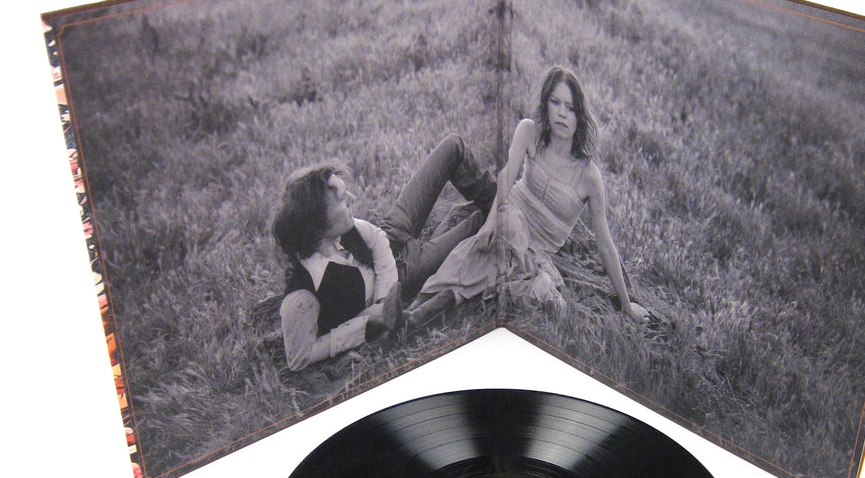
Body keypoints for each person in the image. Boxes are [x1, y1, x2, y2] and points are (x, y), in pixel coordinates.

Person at [404, 68, 649, 328]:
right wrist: (491, 222)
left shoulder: (589, 176)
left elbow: (606, 245)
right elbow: (507, 176)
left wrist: (627, 306)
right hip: (508, 217)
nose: (562, 113)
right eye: (555, 102)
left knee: (527, 279)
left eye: (570, 108)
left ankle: (416, 313)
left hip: (535, 252)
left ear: (580, 116)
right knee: (504, 232)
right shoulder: (530, 132)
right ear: (545, 105)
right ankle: (414, 314)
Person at [271, 133, 495, 371]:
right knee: (482, 223)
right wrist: (362, 325)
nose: (352, 199)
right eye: (342, 201)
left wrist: (384, 298)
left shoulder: (341, 229)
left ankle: (497, 198)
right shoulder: (302, 296)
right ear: (318, 224)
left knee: (453, 146)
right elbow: (299, 358)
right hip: (407, 272)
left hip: (391, 237)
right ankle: (503, 205)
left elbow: (378, 237)